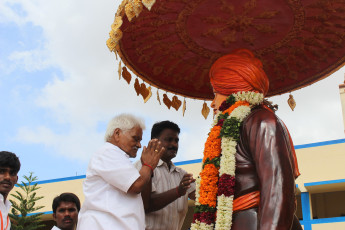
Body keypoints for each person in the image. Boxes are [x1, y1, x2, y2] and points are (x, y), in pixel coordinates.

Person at [192, 49, 302, 230]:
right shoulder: (233, 127)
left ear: (233, 89)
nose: (212, 103)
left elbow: (278, 190)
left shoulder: (262, 121)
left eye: (215, 92)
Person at [77, 114, 165, 230]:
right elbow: (136, 185)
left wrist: (146, 166)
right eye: (135, 138)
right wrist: (148, 165)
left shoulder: (119, 158)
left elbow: (143, 200)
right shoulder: (108, 152)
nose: (139, 145)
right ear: (117, 133)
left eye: (140, 140)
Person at [135, 121, 195, 230]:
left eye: (176, 141)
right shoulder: (141, 167)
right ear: (154, 142)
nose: (174, 145)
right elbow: (145, 205)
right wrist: (178, 191)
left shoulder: (182, 174)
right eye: (169, 140)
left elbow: (204, 196)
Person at [0, 151, 20, 230]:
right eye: (2, 171)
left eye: (12, 173)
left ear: (16, 179)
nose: (7, 177)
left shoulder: (5, 211)